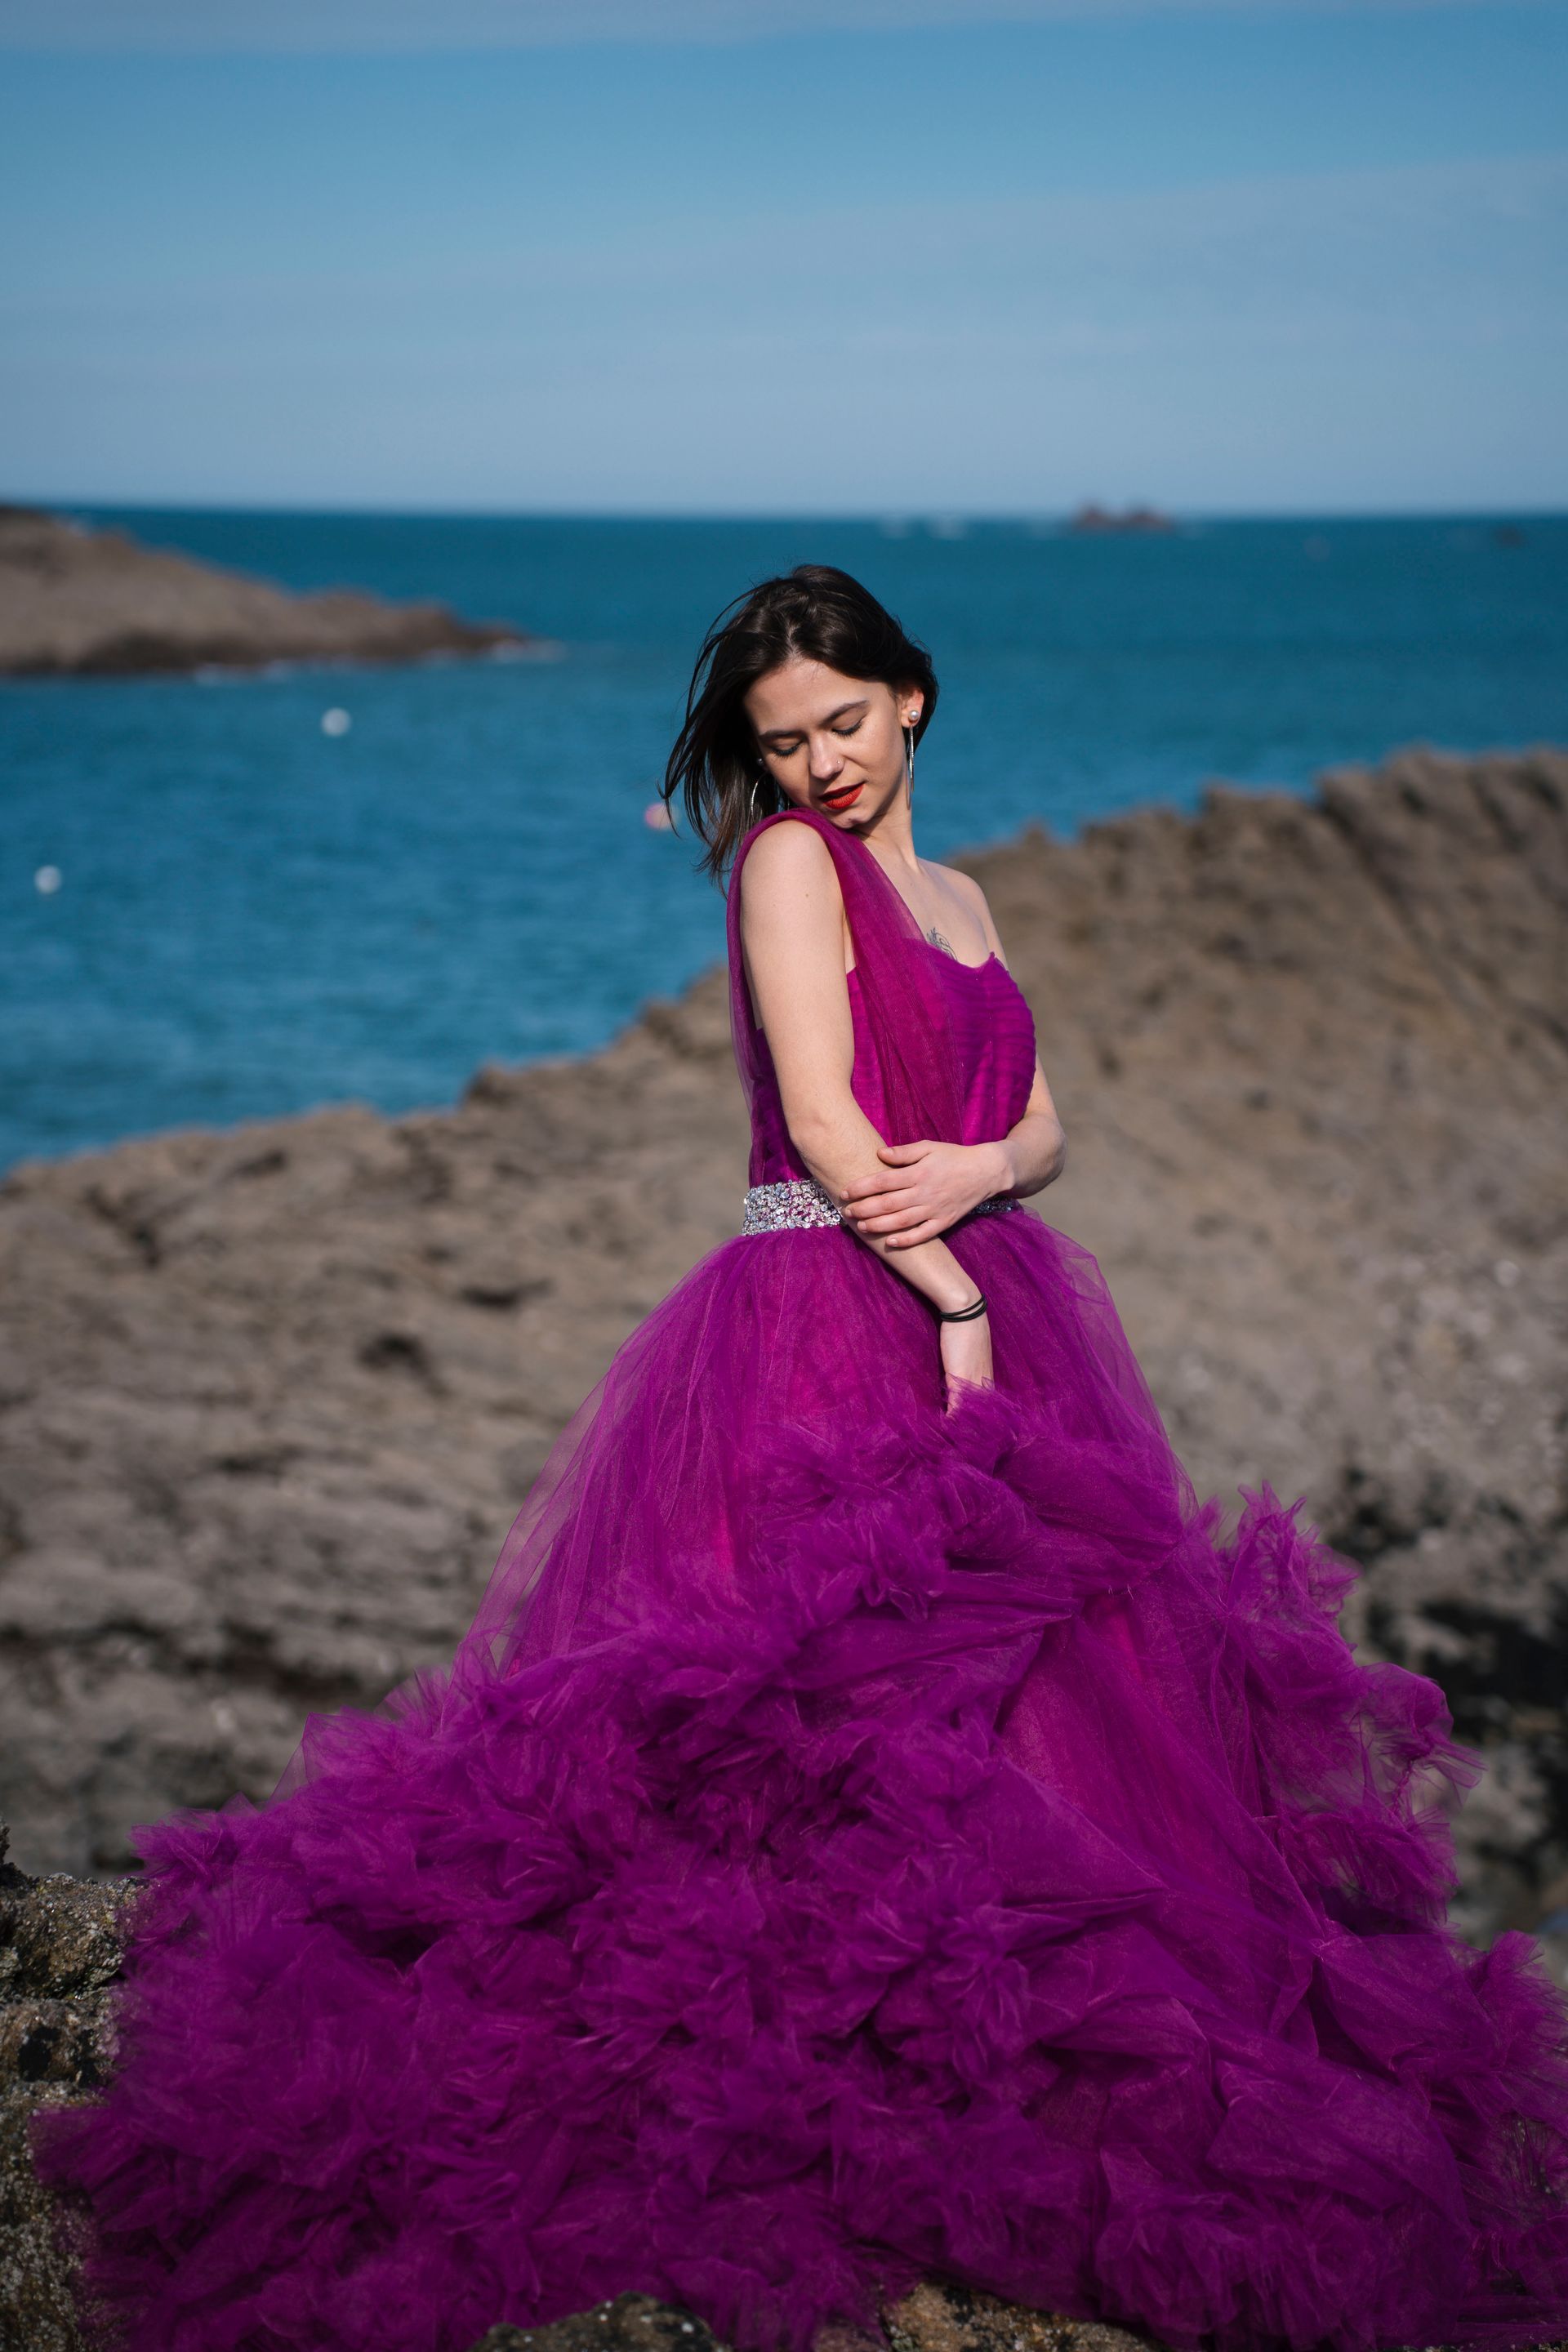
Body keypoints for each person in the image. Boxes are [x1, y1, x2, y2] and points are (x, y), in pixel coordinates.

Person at [38, 567, 1568, 2352]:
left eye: (843, 722)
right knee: (817, 1723)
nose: (820, 764)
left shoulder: (966, 892)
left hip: (977, 1292)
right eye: (783, 742)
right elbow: (834, 1126)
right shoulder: (788, 865)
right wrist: (954, 1299)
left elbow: (1043, 1120)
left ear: (911, 698)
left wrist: (988, 1189)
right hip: (827, 1322)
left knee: (1040, 1716)